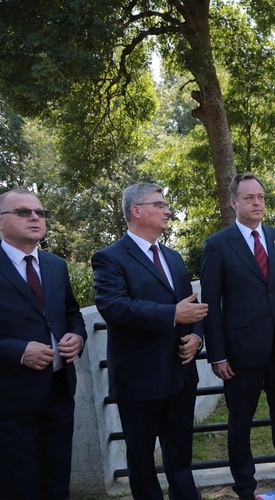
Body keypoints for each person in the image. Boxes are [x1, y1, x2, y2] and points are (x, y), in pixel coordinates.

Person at [92, 183, 206, 500]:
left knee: (180, 452)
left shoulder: (173, 257)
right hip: (139, 377)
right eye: (160, 204)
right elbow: (115, 307)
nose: (167, 210)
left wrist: (196, 337)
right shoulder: (109, 258)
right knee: (141, 460)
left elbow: (191, 307)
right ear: (136, 211)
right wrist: (173, 314)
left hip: (181, 373)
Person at [201, 172, 275, 499]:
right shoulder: (217, 245)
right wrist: (217, 355)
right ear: (234, 203)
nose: (257, 202)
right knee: (239, 428)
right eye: (249, 198)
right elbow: (211, 304)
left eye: (260, 197)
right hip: (239, 356)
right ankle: (245, 490)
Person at [0, 189, 87, 499]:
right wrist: (18, 351)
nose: (35, 217)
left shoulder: (54, 265)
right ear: (1, 222)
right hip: (10, 397)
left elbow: (72, 314)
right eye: (23, 212)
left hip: (58, 391)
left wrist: (77, 338)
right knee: (19, 485)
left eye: (40, 212)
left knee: (57, 478)